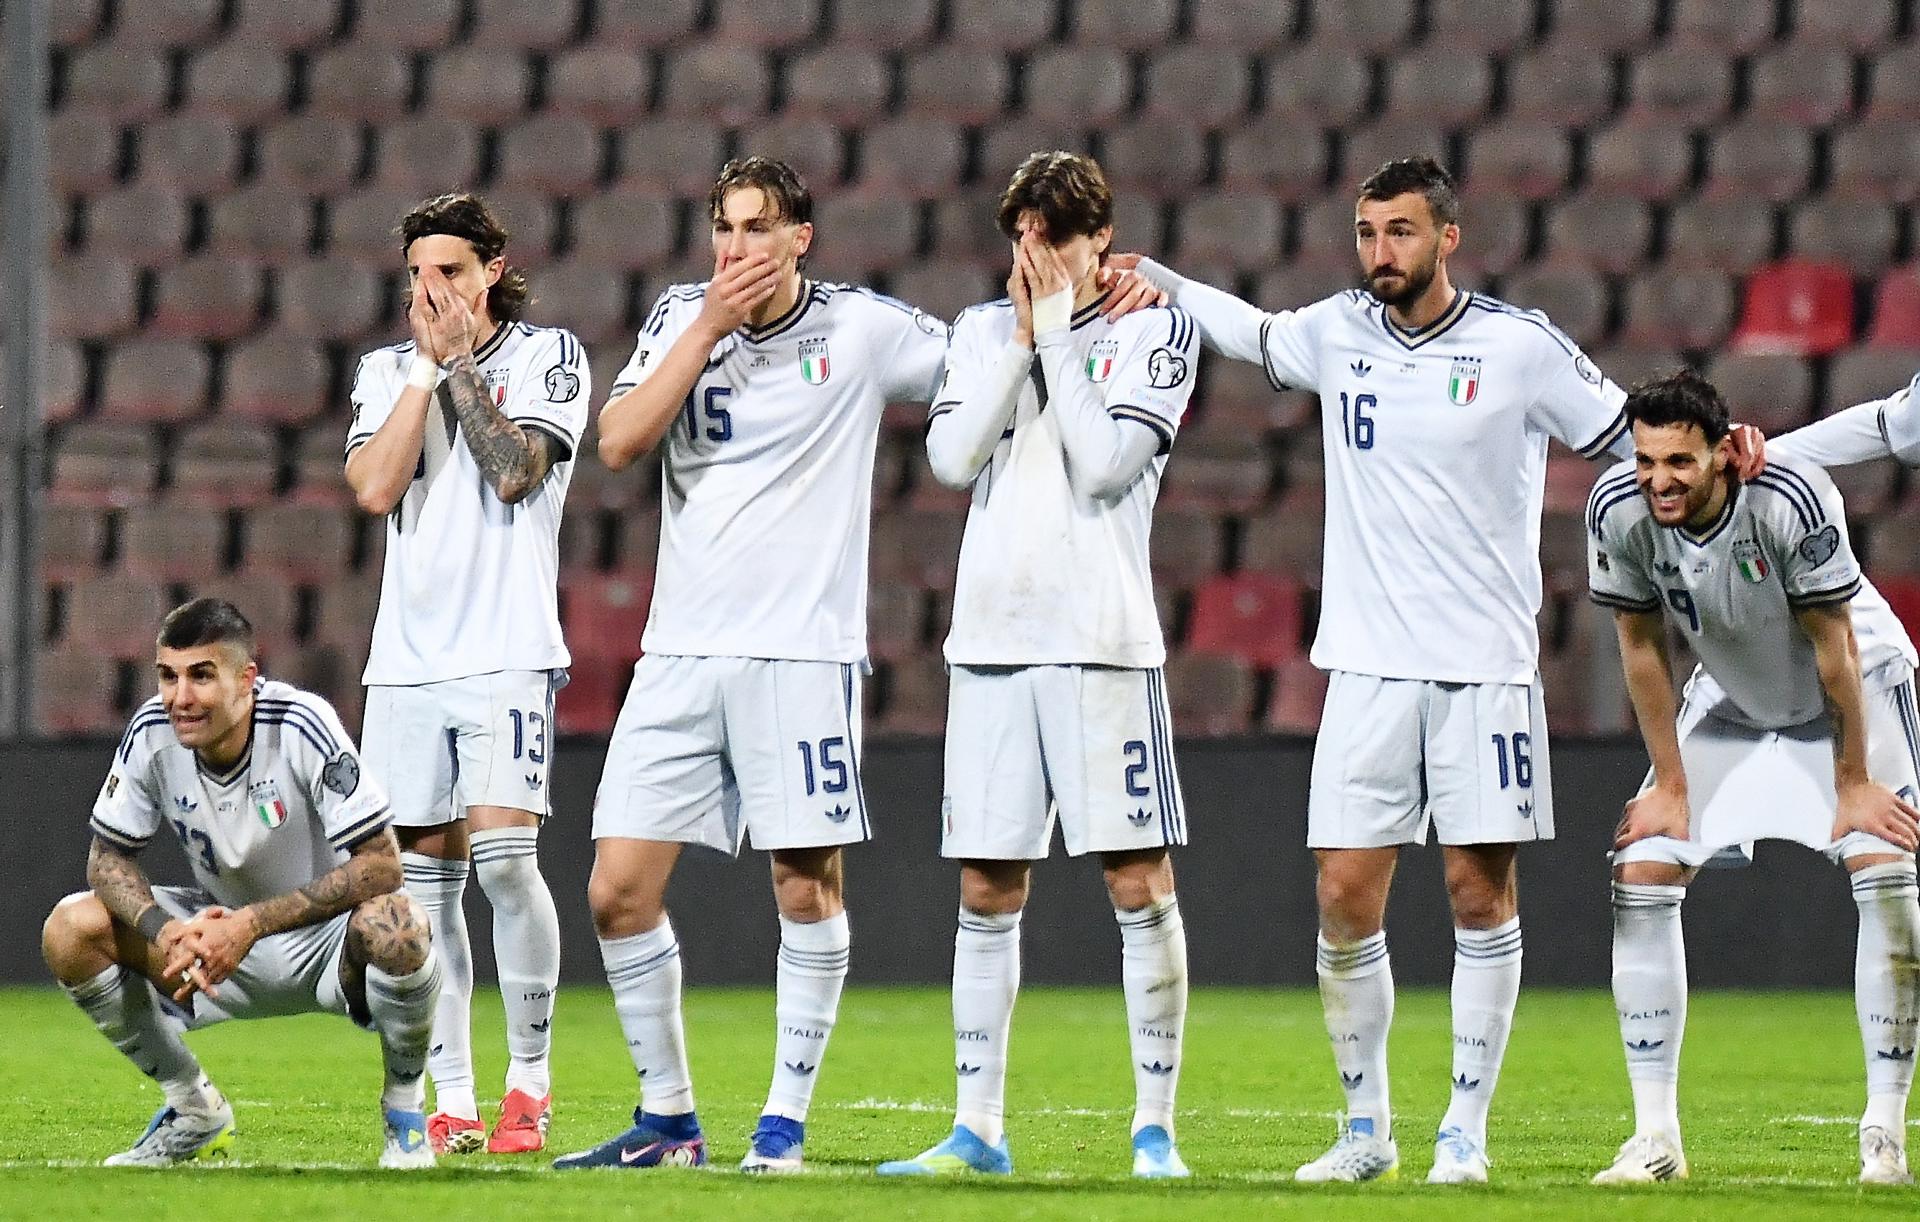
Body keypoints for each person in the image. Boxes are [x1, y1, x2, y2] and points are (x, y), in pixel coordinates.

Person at [1103, 157, 1647, 1183]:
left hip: (1484, 666)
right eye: (1365, 232)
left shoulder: (1520, 347)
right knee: (1346, 890)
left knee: (1479, 891)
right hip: (1363, 666)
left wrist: (1709, 473)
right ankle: (1367, 1133)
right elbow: (1254, 331)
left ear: (1450, 235)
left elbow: (1626, 440)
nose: (1379, 253)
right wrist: (1161, 278)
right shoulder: (1339, 329)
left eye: (1399, 232)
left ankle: (1466, 1131)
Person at [554, 157, 947, 1173]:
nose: (736, 249)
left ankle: (783, 1123)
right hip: (680, 652)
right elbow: (617, 441)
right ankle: (671, 1121)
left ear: (801, 239)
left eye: (758, 229)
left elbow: (975, 368)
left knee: (806, 883)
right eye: (724, 228)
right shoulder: (683, 317)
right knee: (615, 890)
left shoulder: (861, 329)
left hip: (801, 656)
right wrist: (703, 332)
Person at [873, 151, 1198, 1181]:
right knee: (985, 883)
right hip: (993, 640)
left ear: (1101, 239)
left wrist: (1057, 333)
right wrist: (1022, 338)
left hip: (1101, 639)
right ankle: (978, 1126)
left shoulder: (1156, 330)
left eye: (1056, 234)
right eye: (1023, 232)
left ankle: (1154, 1126)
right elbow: (951, 459)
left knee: (1137, 879)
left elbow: (1105, 466)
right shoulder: (978, 331)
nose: (1036, 252)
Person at [1587, 370, 1920, 1186]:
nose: (1659, 480)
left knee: (1889, 876)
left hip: (1855, 692)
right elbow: (1641, 646)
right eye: (1645, 460)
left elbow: (1835, 649)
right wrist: (1669, 782)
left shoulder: (1787, 501)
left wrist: (1851, 784)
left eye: (1679, 463)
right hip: (1737, 698)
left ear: (1722, 455)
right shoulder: (1618, 510)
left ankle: (1884, 1131)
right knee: (1643, 866)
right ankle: (1655, 1139)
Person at [343, 193, 588, 1156]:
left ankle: (529, 1078)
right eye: (417, 273)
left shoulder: (548, 357)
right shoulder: (382, 372)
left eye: (449, 269)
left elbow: (515, 471)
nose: (430, 289)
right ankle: (453, 1096)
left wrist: (460, 369)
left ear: (493, 270)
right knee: (425, 893)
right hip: (406, 664)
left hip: (507, 648)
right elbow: (372, 489)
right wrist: (421, 378)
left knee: (507, 861)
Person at [39, 599, 441, 1168]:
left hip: (323, 943)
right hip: (213, 942)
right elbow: (107, 861)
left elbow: (382, 864)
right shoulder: (152, 730)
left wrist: (252, 924)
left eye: (202, 675)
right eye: (168, 675)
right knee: (70, 928)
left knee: (398, 927)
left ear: (246, 679)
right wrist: (164, 929)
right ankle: (193, 1107)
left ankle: (404, 1115)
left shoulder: (301, 724)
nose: (181, 697)